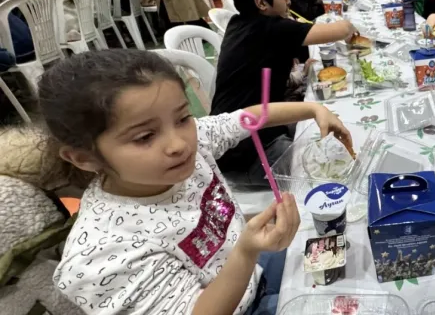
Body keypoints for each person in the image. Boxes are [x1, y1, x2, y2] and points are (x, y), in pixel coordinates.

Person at [41, 49, 350, 315]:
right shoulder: (103, 254)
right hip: (245, 297)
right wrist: (245, 252)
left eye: (182, 117)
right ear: (83, 158)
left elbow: (248, 117)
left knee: (352, 250)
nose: (179, 143)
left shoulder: (193, 140)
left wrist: (313, 109)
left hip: (256, 269)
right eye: (145, 136)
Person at [211, 0, 356, 181]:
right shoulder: (272, 28)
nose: (288, 0)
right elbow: (342, 29)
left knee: (327, 128)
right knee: (330, 169)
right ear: (261, 2)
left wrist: (296, 76)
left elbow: (258, 78)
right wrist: (347, 24)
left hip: (241, 137)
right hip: (247, 154)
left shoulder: (238, 23)